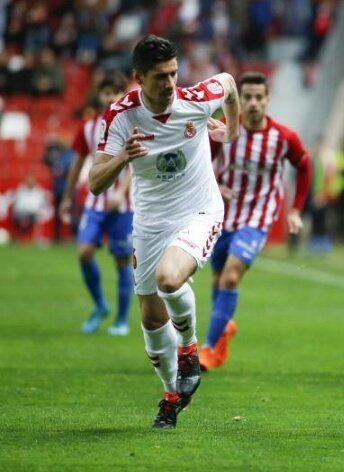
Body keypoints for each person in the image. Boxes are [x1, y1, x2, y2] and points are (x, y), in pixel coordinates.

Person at [88, 35, 240, 428]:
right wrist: (123, 157)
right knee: (152, 319)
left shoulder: (194, 99)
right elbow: (95, 182)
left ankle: (189, 351)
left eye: (174, 73)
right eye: (160, 77)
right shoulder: (120, 116)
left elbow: (228, 83)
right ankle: (171, 395)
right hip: (151, 222)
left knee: (169, 279)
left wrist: (231, 129)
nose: (170, 83)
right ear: (138, 77)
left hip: (199, 210)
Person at [199, 71, 311, 371]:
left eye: (258, 97)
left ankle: (207, 348)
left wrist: (295, 210)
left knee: (231, 277)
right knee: (217, 279)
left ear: (267, 99)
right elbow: (199, 164)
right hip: (221, 216)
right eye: (246, 97)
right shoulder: (223, 132)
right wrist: (213, 185)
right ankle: (221, 333)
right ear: (237, 99)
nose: (252, 103)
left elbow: (304, 166)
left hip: (258, 217)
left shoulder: (284, 138)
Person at [59, 72, 134, 335]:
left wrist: (120, 191)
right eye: (106, 92)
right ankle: (101, 305)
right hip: (95, 201)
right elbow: (78, 163)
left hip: (122, 205)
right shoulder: (88, 126)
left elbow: (134, 164)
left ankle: (122, 319)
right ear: (99, 95)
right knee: (84, 252)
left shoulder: (131, 124)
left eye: (115, 92)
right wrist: (67, 197)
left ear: (122, 95)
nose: (110, 97)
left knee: (123, 260)